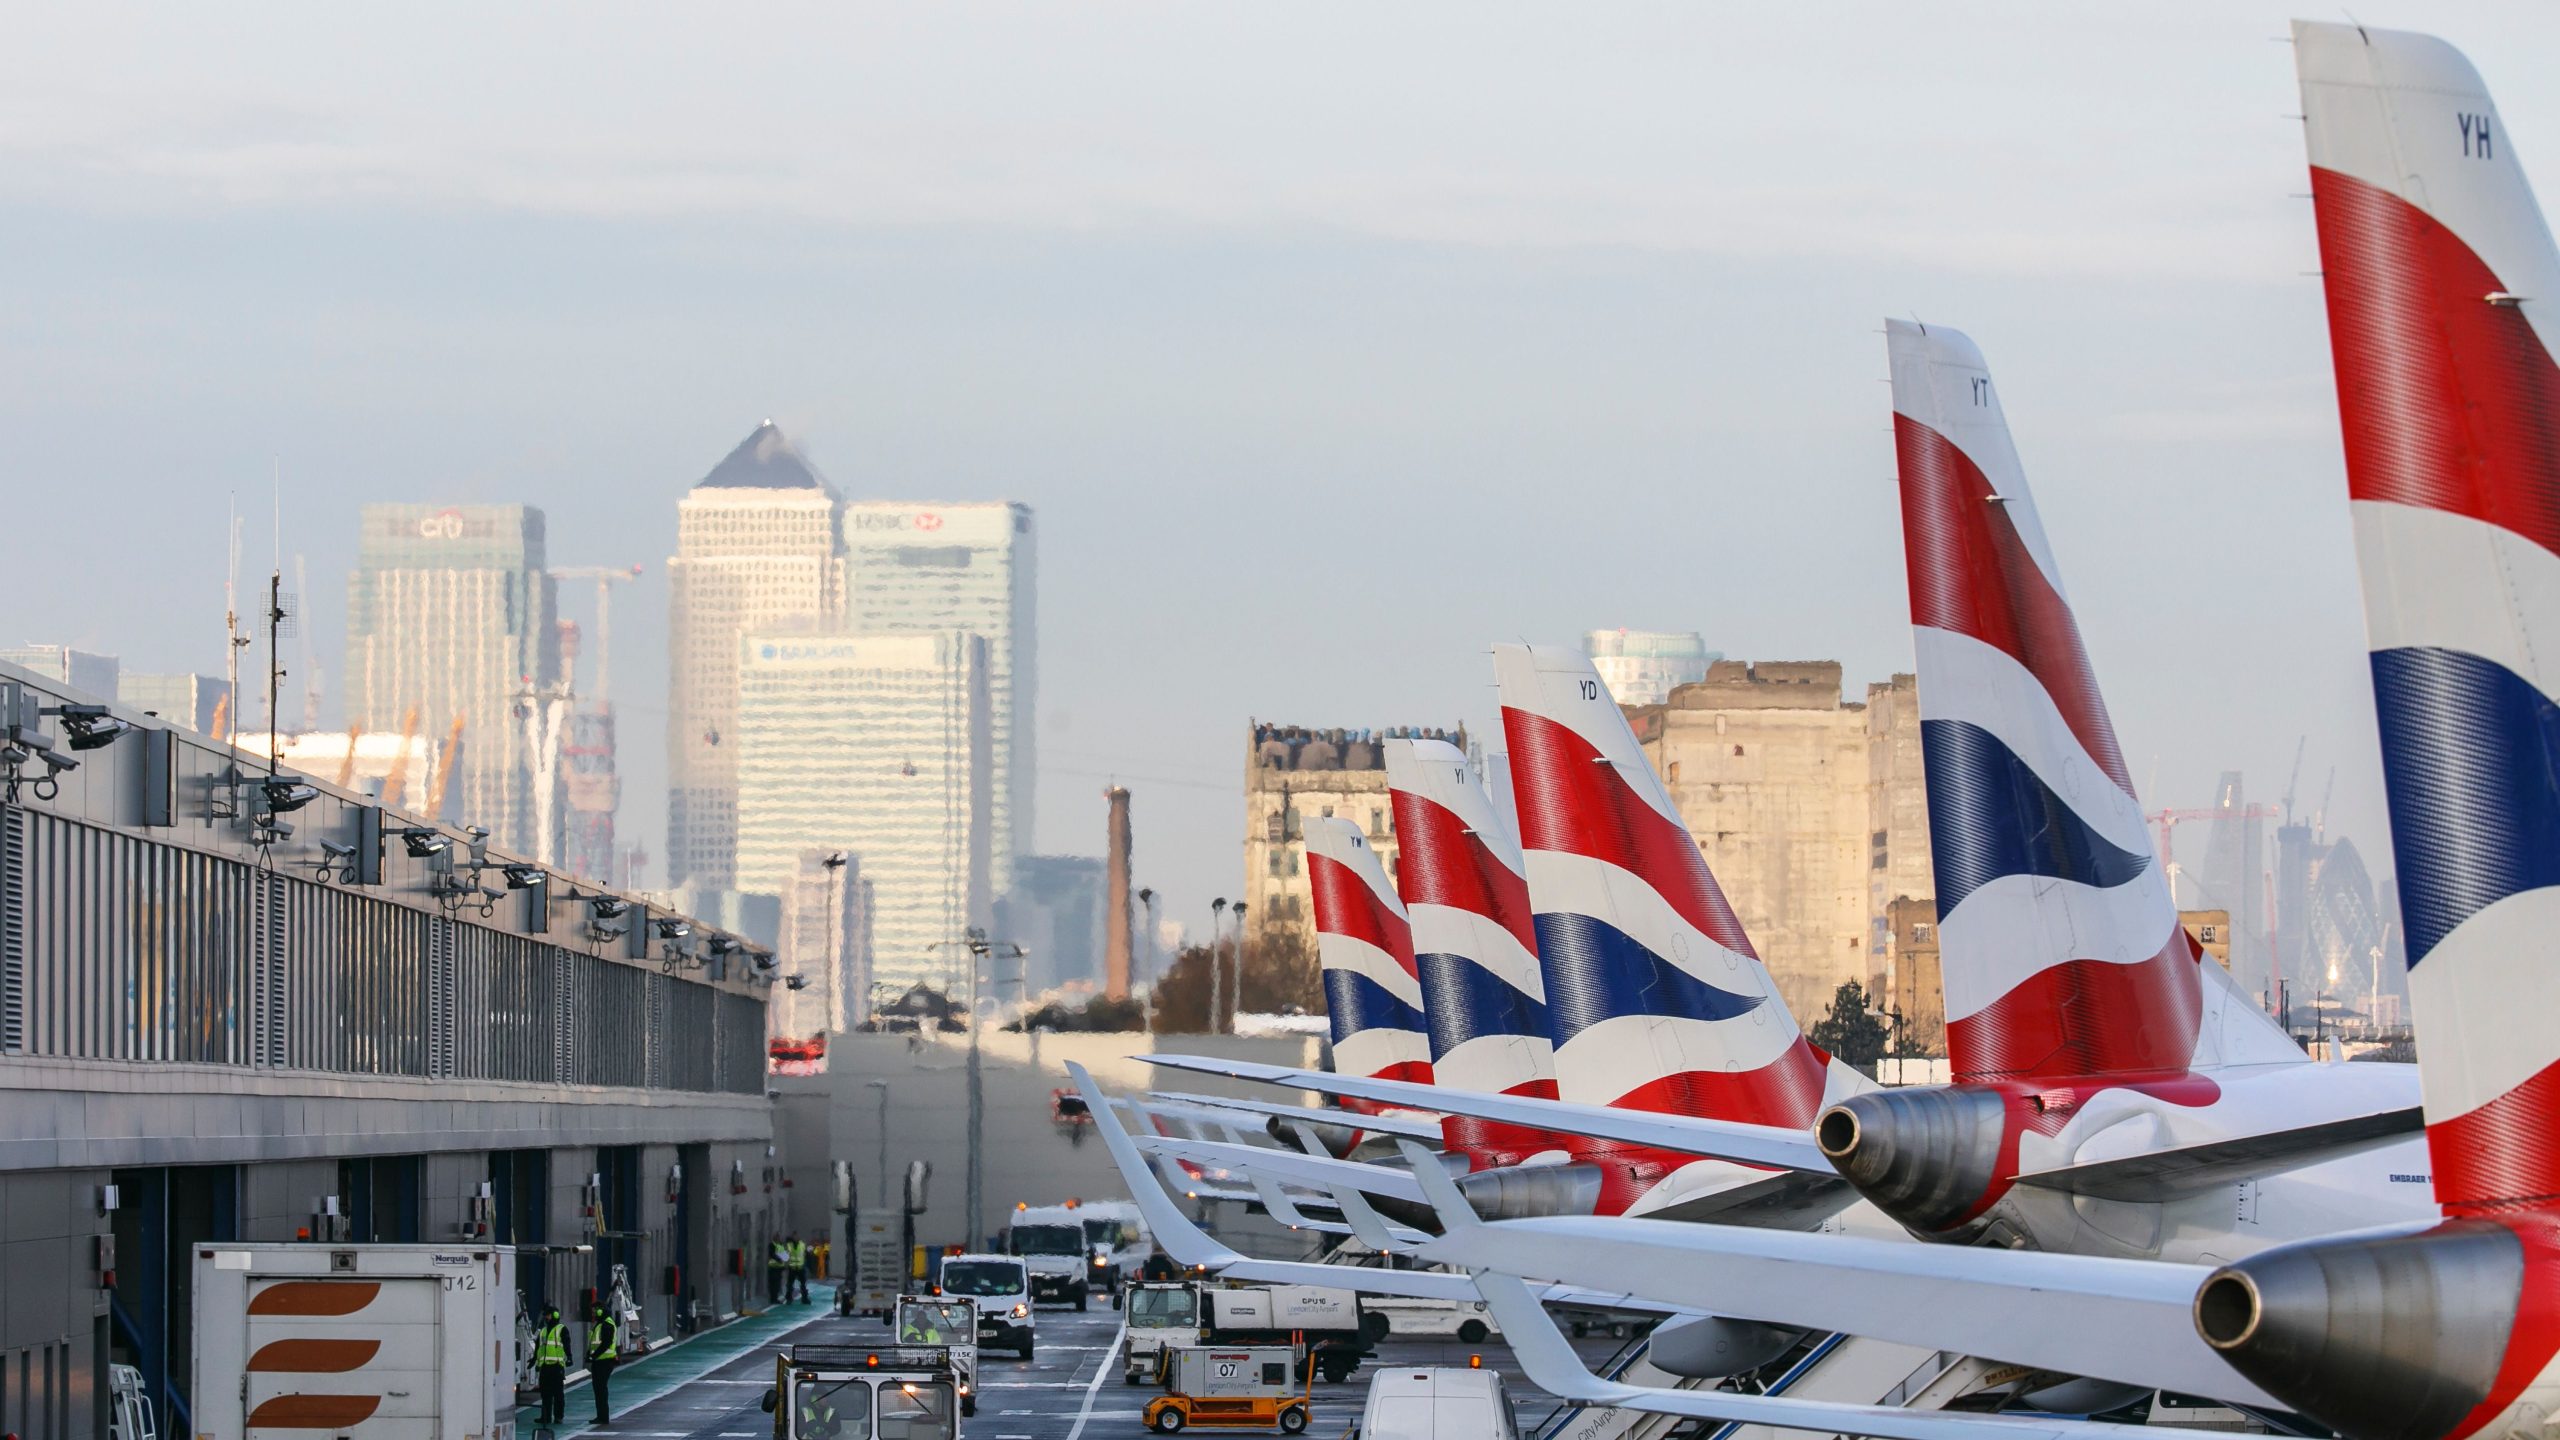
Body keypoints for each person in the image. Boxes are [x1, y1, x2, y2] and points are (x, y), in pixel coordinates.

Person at [533, 1305, 569, 1426]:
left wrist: (570, 1358)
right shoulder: (543, 1331)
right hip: (545, 1367)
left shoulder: (561, 1329)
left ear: (554, 1315)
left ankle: (558, 1416)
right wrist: (535, 1360)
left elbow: (567, 1345)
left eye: (547, 1315)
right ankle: (545, 1416)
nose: (546, 1318)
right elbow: (539, 1348)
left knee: (558, 1393)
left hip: (556, 1366)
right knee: (545, 1393)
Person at [587, 1300, 621, 1424]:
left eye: (595, 1311)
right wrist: (589, 1354)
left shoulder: (606, 1324)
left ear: (600, 1310)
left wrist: (594, 1356)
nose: (594, 1313)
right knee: (598, 1389)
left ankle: (603, 1416)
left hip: (604, 1361)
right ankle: (601, 1415)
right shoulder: (601, 1324)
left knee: (600, 1389)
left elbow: (606, 1343)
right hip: (599, 1361)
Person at [788, 1232, 812, 1303]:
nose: (796, 1238)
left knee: (803, 1284)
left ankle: (804, 1298)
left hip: (800, 1267)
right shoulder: (789, 1245)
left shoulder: (802, 1245)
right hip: (792, 1267)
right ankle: (789, 1298)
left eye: (797, 1236)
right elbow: (786, 1255)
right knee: (790, 1284)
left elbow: (806, 1254)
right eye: (794, 1236)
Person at [767, 1234, 789, 1306]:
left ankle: (775, 1298)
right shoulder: (772, 1245)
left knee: (777, 1285)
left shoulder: (780, 1246)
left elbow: (783, 1255)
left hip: (779, 1268)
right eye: (777, 1238)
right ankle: (773, 1299)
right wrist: (779, 1259)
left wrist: (784, 1262)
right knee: (773, 1285)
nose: (778, 1239)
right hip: (773, 1267)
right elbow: (772, 1254)